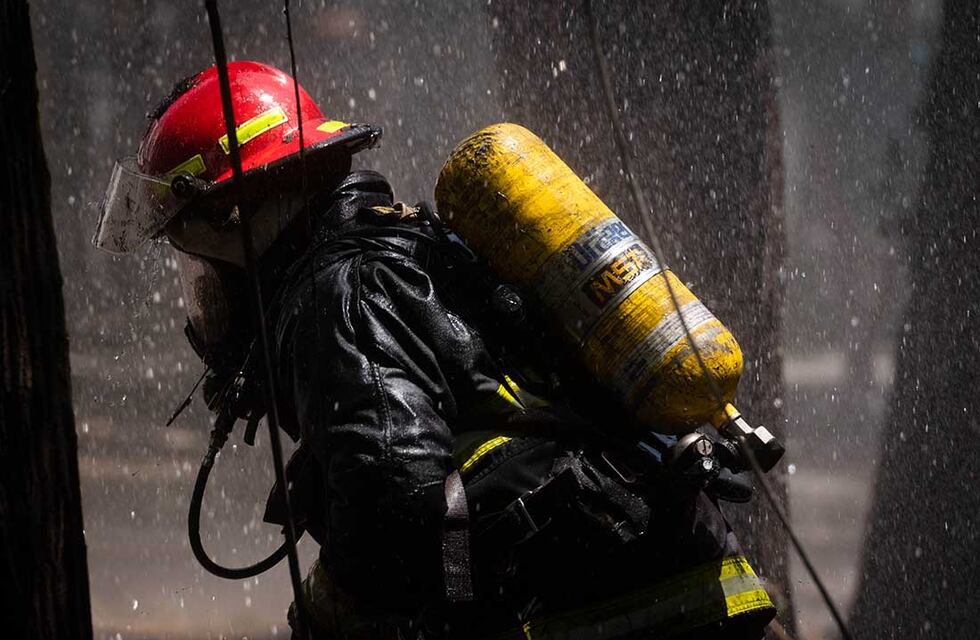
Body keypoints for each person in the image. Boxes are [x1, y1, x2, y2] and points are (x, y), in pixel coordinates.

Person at [94, 60, 777, 639]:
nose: (204, 299)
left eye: (200, 266)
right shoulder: (418, 246)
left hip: (605, 610)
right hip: (681, 577)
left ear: (236, 219)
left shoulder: (342, 291)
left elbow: (391, 506)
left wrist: (321, 618)